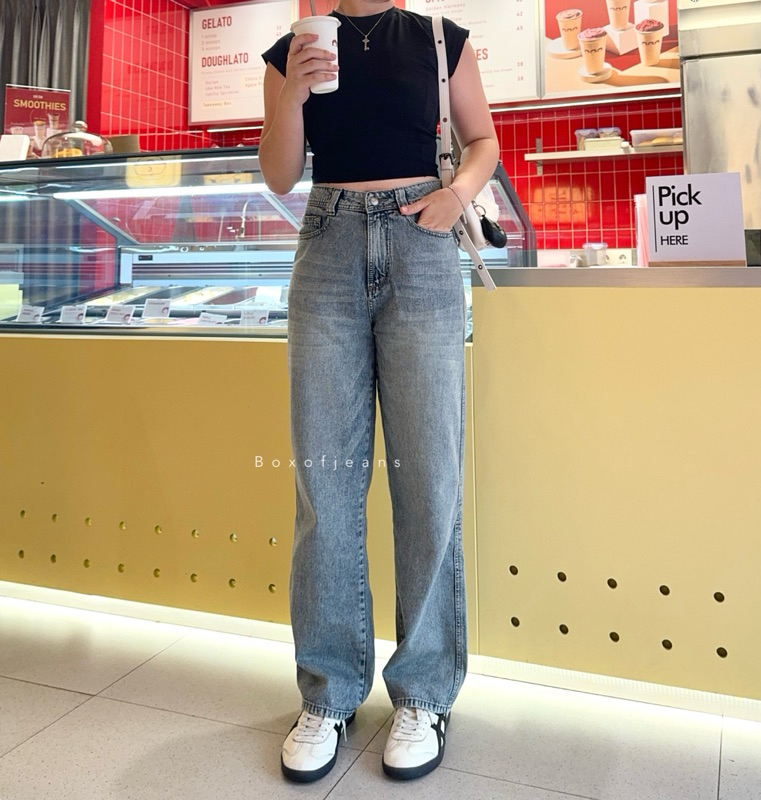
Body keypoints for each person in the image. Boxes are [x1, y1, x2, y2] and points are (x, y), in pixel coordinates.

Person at [259, 0, 497, 783]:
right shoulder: (290, 49)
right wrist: (293, 92)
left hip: (421, 243)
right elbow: (279, 175)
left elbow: (483, 141)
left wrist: (457, 194)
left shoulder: (437, 38)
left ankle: (424, 694)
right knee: (324, 486)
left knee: (429, 479)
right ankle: (327, 695)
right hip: (326, 250)